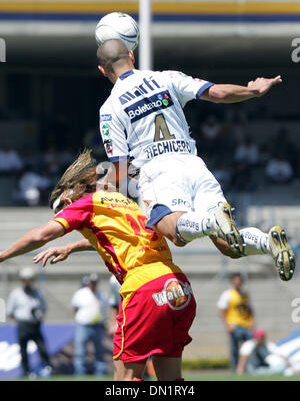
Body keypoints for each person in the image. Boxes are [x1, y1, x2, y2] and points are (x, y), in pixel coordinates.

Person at [96, 38, 295, 282]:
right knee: (228, 245)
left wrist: (98, 193)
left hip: (159, 172)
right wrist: (253, 90)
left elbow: (120, 167)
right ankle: (268, 242)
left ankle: (212, 221)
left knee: (174, 232)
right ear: (131, 55)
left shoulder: (109, 108)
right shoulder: (167, 77)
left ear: (102, 70)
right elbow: (218, 93)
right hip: (194, 166)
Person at [0, 150, 196, 381]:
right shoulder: (121, 201)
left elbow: (41, 235)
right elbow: (110, 238)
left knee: (125, 380)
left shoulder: (82, 205)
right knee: (171, 380)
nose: (62, 216)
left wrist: (2, 256)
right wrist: (70, 247)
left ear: (67, 201)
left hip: (144, 289)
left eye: (60, 212)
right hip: (178, 286)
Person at [6, 267, 52, 377]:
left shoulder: (37, 293)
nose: (27, 282)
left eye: (29, 279)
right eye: (25, 279)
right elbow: (10, 311)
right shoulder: (16, 294)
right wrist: (20, 318)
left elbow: (43, 308)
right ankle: (26, 371)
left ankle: (46, 368)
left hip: (35, 324)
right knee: (23, 349)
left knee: (42, 347)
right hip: (23, 325)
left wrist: (38, 316)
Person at [71, 273, 107, 376]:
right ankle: (79, 372)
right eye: (92, 282)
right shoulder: (81, 293)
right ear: (88, 283)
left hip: (97, 325)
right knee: (80, 350)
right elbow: (75, 308)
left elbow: (104, 309)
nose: (93, 284)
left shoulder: (101, 295)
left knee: (99, 350)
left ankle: (100, 372)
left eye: (95, 282)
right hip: (84, 325)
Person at [217, 273, 254, 372]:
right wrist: (228, 324)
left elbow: (251, 310)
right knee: (234, 350)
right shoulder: (228, 294)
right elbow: (222, 310)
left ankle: (247, 368)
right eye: (236, 280)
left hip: (246, 325)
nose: (238, 283)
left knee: (248, 348)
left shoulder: (245, 294)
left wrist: (252, 323)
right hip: (235, 325)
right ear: (233, 282)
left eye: (239, 281)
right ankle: (235, 370)